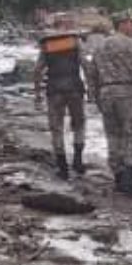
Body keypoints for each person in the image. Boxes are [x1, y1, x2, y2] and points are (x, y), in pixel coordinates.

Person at [86, 13, 132, 195]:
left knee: (113, 136)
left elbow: (92, 74)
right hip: (127, 94)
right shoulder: (130, 43)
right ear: (123, 24)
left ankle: (118, 176)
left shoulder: (101, 46)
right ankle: (129, 179)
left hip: (106, 94)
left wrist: (95, 97)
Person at [33, 13, 88, 180]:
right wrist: (91, 87)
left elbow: (37, 70)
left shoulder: (47, 44)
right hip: (74, 88)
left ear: (54, 26)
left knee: (56, 128)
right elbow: (85, 64)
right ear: (66, 25)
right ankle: (78, 160)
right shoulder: (75, 40)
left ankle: (62, 166)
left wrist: (37, 94)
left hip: (54, 90)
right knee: (79, 124)